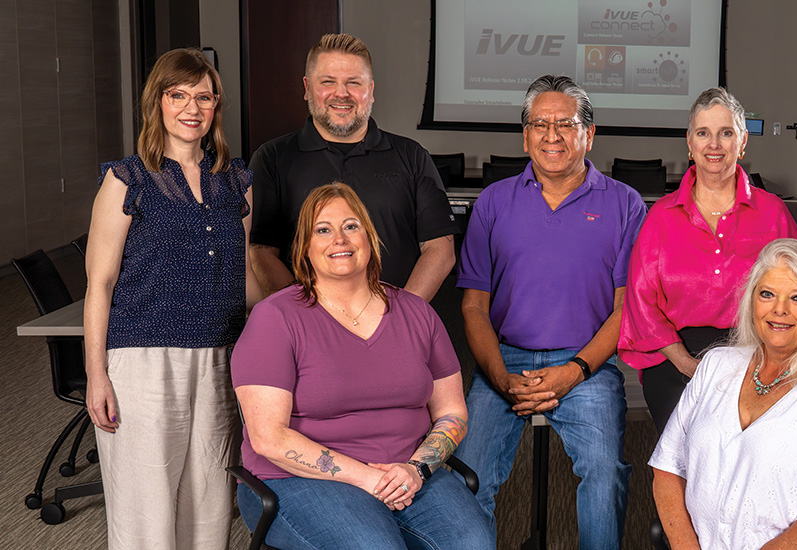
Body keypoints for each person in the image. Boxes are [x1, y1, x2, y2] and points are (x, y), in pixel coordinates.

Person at [230, 183, 494, 549]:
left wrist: (415, 470)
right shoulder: (275, 318)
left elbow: (452, 412)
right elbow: (268, 438)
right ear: (304, 248)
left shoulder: (416, 312)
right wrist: (367, 478)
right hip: (298, 480)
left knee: (473, 543)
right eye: (323, 230)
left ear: (369, 239)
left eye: (351, 226)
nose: (339, 239)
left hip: (407, 471)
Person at [454, 75, 646, 549]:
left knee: (605, 474)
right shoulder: (493, 202)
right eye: (540, 124)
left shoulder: (625, 204)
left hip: (588, 365)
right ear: (525, 136)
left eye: (566, 123)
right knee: (466, 478)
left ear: (590, 133)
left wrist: (575, 371)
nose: (552, 135)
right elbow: (474, 304)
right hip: (503, 363)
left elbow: (627, 309)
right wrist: (500, 378)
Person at [83, 48, 260, 549]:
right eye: (177, 95)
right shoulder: (127, 179)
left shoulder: (236, 182)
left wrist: (303, 310)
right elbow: (99, 284)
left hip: (222, 359)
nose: (192, 107)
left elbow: (243, 275)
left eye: (204, 97)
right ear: (156, 103)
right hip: (144, 359)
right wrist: (97, 374)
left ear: (216, 107)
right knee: (147, 505)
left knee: (210, 501)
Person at [651, 239, 797, 549]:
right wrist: (685, 545)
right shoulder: (717, 365)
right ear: (752, 301)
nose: (779, 310)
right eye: (767, 294)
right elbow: (668, 468)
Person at [618, 87, 797, 434]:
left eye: (726, 133)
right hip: (676, 358)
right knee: (686, 457)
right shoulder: (661, 217)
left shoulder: (773, 212)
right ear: (690, 143)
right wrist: (687, 363)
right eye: (703, 133)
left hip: (756, 351)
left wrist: (764, 357)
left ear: (742, 141)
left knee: (750, 459)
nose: (714, 144)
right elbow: (641, 303)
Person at [249, 33, 458, 301]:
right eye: (328, 82)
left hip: (394, 327)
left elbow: (440, 249)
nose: (341, 93)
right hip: (306, 332)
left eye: (353, 83)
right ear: (307, 87)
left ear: (371, 90)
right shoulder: (272, 158)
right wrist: (305, 317)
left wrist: (402, 318)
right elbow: (261, 251)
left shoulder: (412, 156)